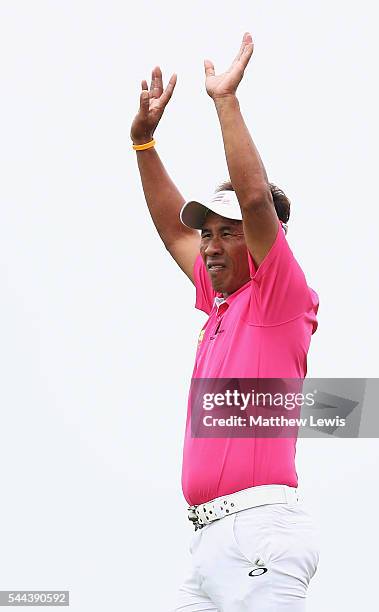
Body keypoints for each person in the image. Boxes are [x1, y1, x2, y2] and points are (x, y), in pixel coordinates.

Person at [131, 32, 320, 612]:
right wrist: (143, 144)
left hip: (259, 532)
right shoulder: (220, 300)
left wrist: (225, 101)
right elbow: (172, 227)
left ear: (265, 243)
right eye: (208, 233)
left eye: (226, 232)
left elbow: (258, 202)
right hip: (208, 544)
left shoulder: (279, 298)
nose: (209, 247)